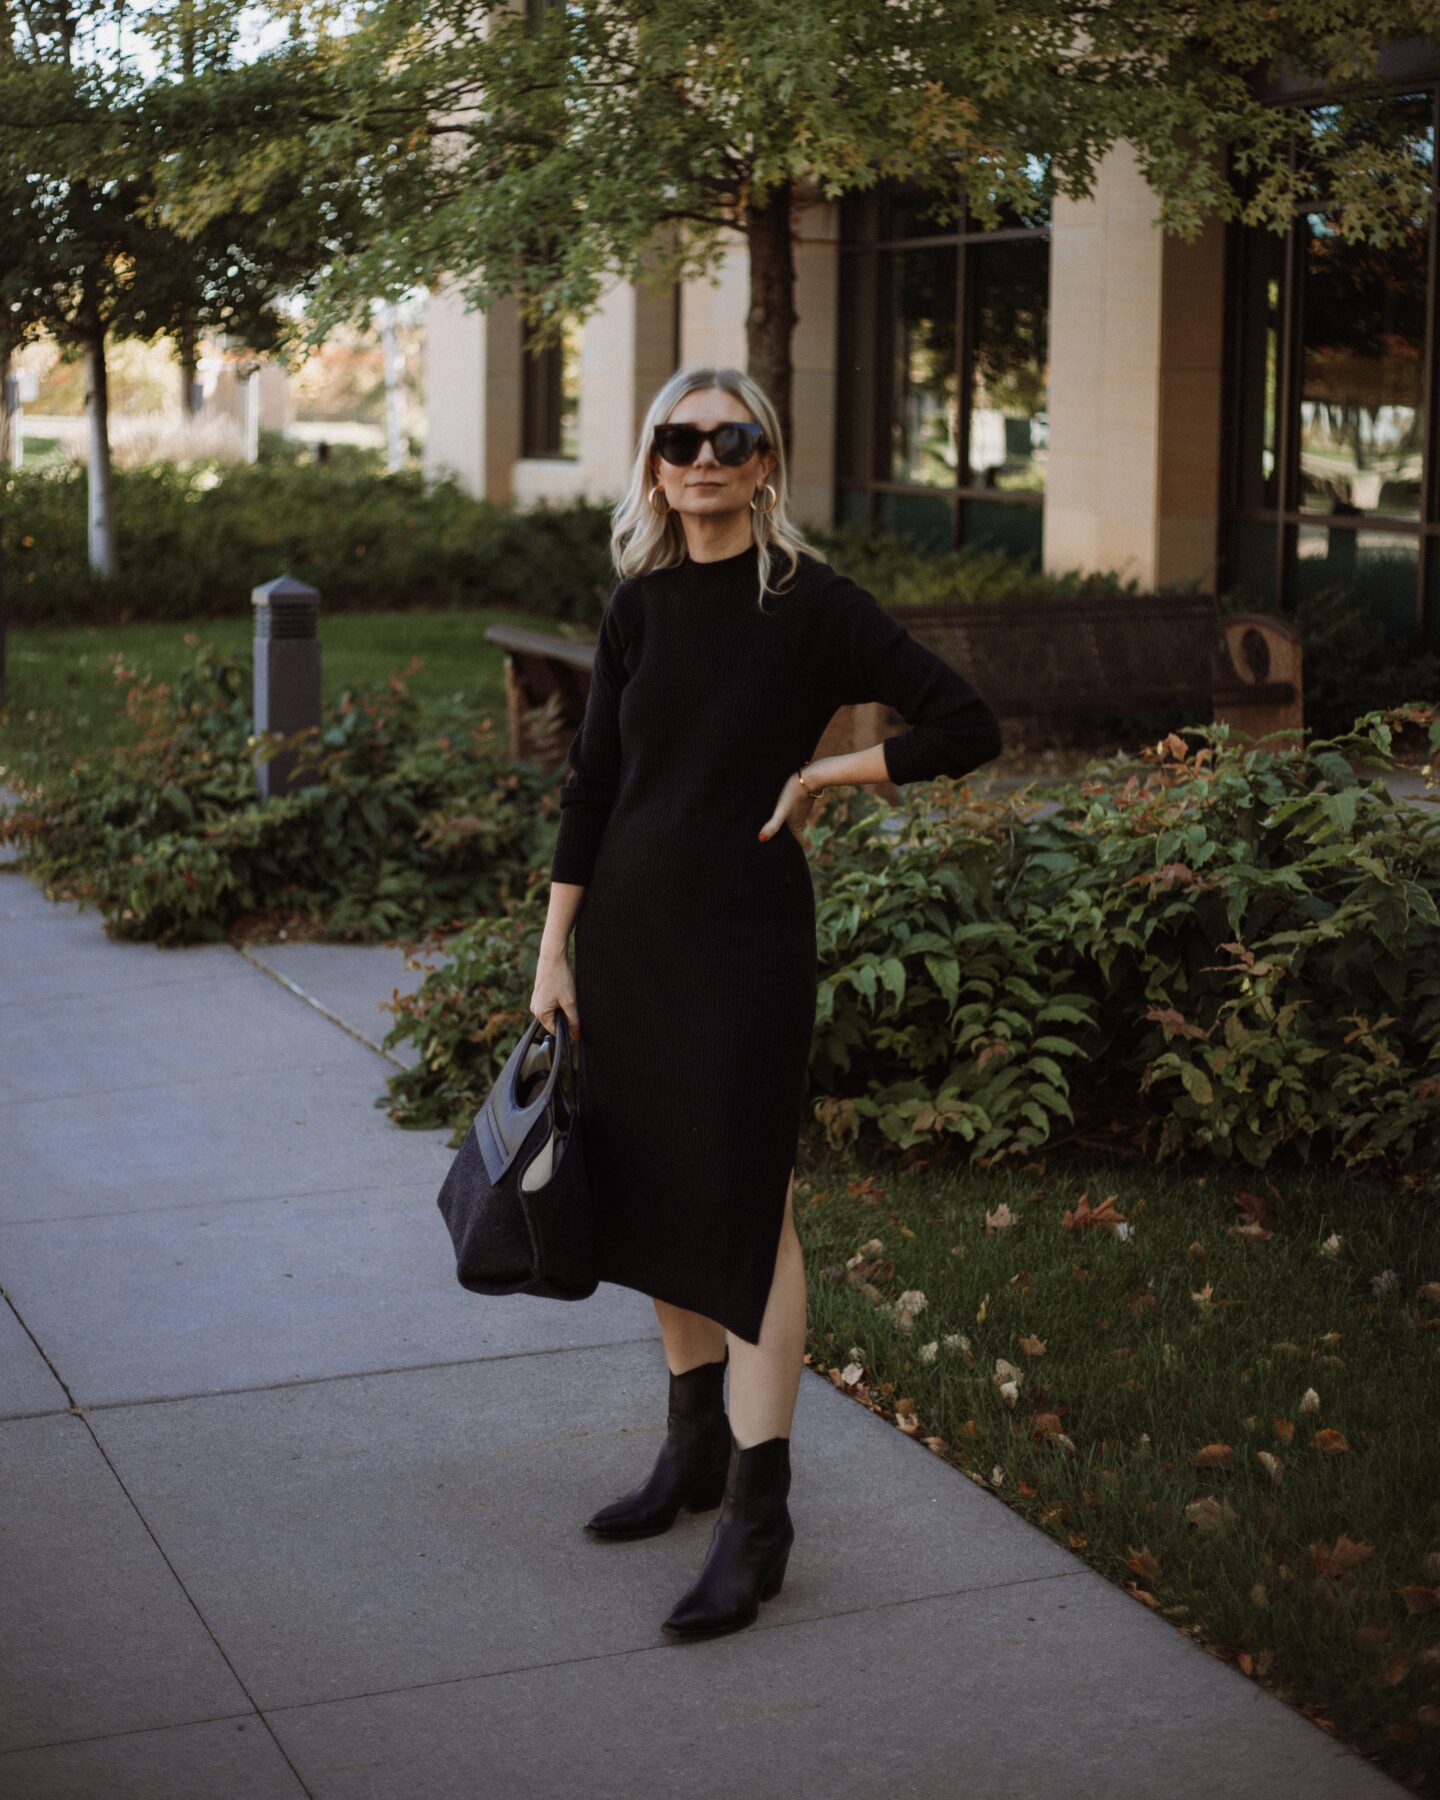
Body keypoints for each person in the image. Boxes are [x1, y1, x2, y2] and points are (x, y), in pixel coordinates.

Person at [529, 366, 1003, 1640]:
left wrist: (828, 773)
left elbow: (967, 723)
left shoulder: (810, 605)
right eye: (678, 441)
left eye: (727, 439)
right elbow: (592, 785)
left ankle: (758, 1511)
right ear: (653, 464)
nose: (702, 459)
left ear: (763, 461)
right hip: (627, 937)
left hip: (743, 948)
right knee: (649, 1186)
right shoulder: (639, 605)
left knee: (747, 1208)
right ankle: (689, 1450)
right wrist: (554, 951)